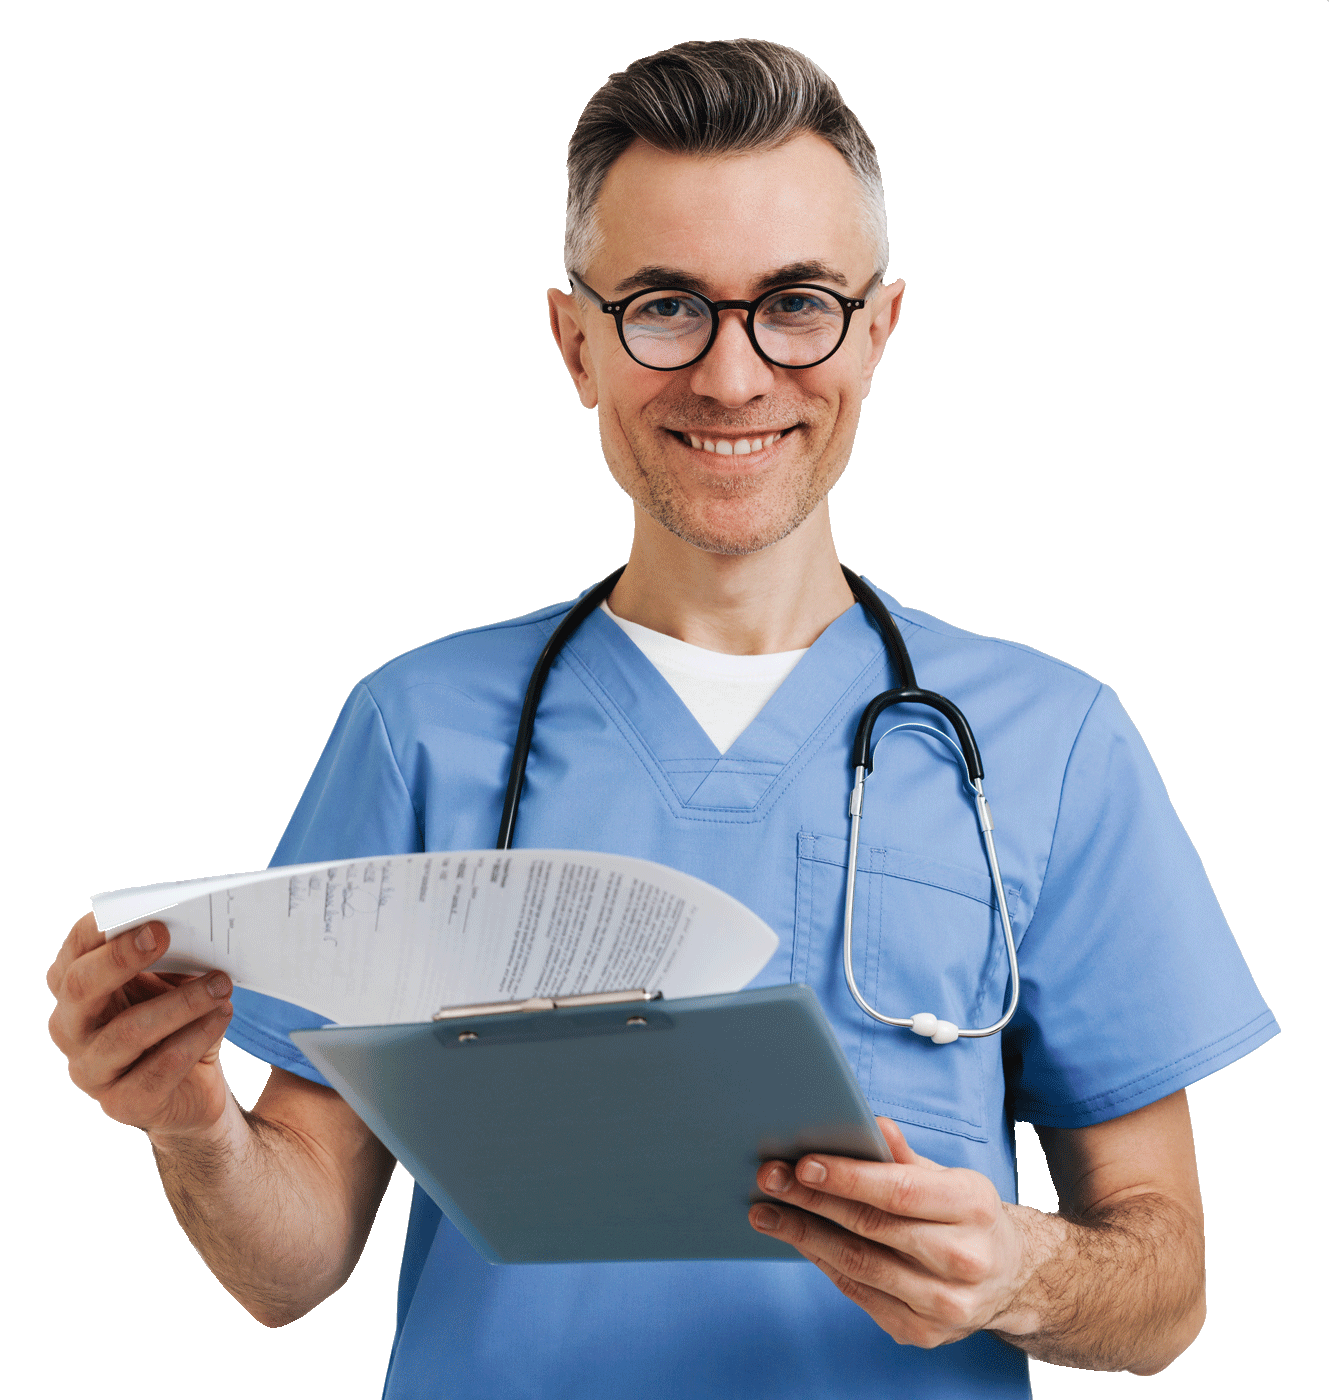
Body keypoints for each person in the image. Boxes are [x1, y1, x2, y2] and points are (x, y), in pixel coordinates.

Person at [47, 39, 1276, 1398]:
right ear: (577, 342)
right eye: (665, 307)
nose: (733, 377)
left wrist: (1020, 1275)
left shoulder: (1055, 741)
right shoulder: (418, 728)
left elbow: (1165, 1297)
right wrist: (192, 1123)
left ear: (879, 332)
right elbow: (293, 1267)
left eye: (797, 304)